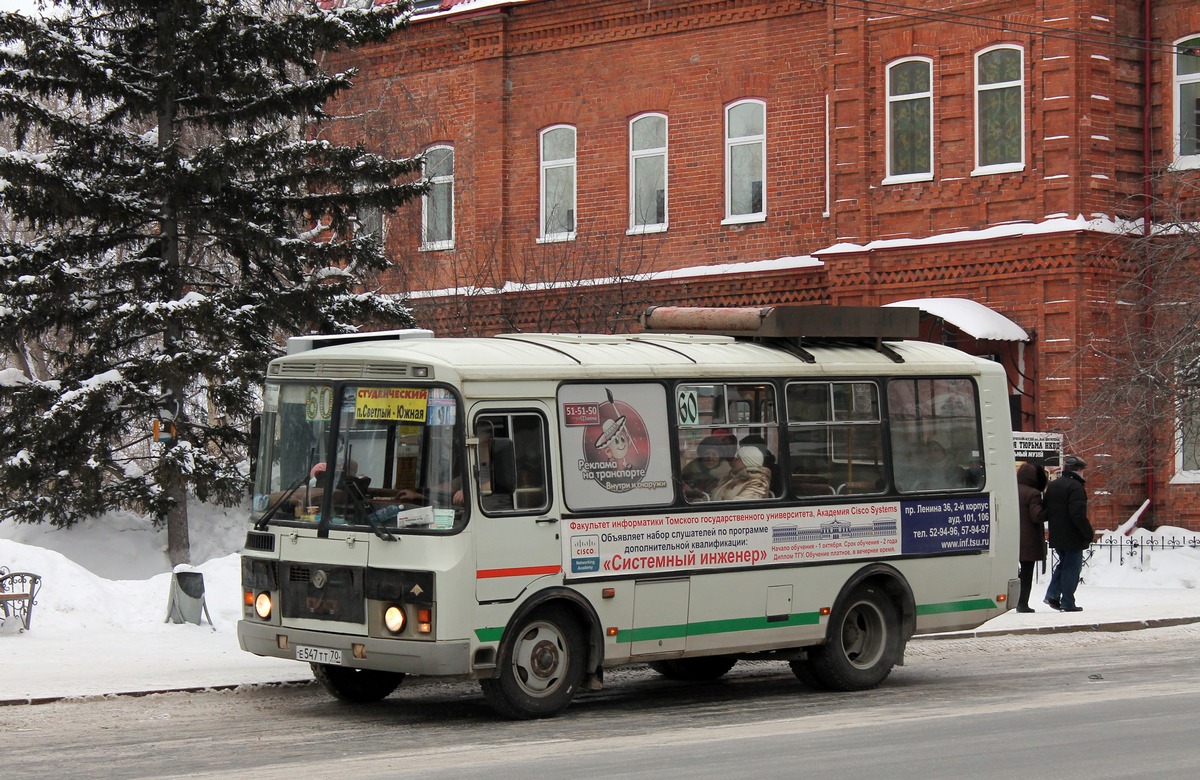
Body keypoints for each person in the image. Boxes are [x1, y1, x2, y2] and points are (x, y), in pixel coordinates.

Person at [1044, 455, 1093, 612]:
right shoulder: (1076, 487)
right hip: (1072, 534)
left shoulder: (1053, 485)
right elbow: (1077, 514)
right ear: (1078, 470)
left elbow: (1046, 510)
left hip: (1056, 533)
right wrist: (1087, 532)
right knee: (1072, 568)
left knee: (1063, 565)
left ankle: (1052, 594)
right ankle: (1067, 602)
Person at [1016, 461, 1048, 613]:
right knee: (1027, 573)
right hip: (1028, 540)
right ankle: (1022, 603)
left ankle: (1012, 600)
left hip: (1012, 538)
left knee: (1014, 572)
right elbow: (1037, 516)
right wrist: (1048, 508)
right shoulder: (1033, 493)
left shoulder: (1011, 489)